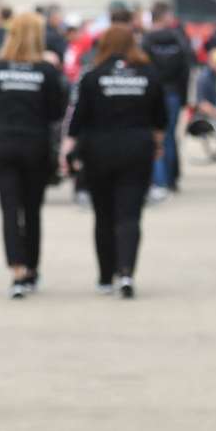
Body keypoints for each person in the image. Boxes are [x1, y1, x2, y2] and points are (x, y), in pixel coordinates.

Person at [64, 25, 167, 299]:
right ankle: (127, 273)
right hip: (137, 150)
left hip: (99, 152)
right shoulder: (148, 75)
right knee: (130, 214)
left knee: (104, 215)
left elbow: (78, 120)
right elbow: (160, 118)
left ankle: (105, 276)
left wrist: (70, 150)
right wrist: (158, 145)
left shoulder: (93, 76)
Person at [0, 13, 65, 298]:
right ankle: (31, 269)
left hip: (3, 143)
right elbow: (57, 111)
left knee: (9, 209)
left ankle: (16, 270)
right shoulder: (46, 71)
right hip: (35, 145)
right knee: (31, 210)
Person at [142, 1, 192, 198]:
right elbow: (186, 70)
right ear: (164, 17)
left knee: (154, 136)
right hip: (172, 93)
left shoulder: (146, 41)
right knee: (169, 136)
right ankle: (171, 179)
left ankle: (157, 180)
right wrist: (184, 97)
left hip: (152, 93)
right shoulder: (178, 39)